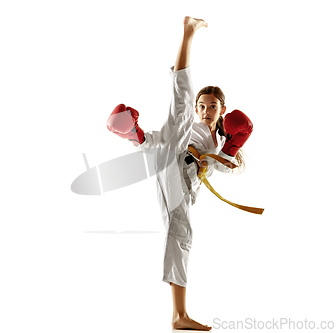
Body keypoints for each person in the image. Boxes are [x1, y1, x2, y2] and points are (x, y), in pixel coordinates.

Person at [107, 16, 253, 331]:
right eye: (203, 105)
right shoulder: (195, 126)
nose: (206, 110)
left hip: (182, 180)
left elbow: (233, 168)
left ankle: (137, 136)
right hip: (173, 160)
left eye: (212, 106)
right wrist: (149, 141)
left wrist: (227, 156)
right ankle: (179, 316)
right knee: (180, 103)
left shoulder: (223, 139)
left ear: (222, 110)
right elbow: (173, 138)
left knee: (182, 234)